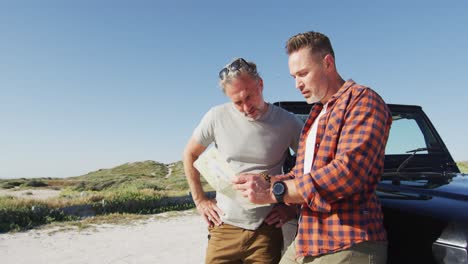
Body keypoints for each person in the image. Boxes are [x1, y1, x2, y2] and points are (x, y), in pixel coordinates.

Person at [232, 31, 392, 264]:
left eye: (303, 73)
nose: (297, 84)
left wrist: (275, 192)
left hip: (349, 243)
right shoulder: (316, 115)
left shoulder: (362, 100)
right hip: (308, 241)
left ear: (328, 63)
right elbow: (301, 175)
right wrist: (263, 181)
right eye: (293, 77)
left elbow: (347, 173)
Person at [183, 57, 304, 263]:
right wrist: (201, 201)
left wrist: (291, 207)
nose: (247, 107)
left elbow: (311, 164)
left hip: (266, 229)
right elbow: (190, 154)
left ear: (261, 84)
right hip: (224, 226)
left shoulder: (288, 122)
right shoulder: (216, 116)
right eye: (237, 102)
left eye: (250, 97)